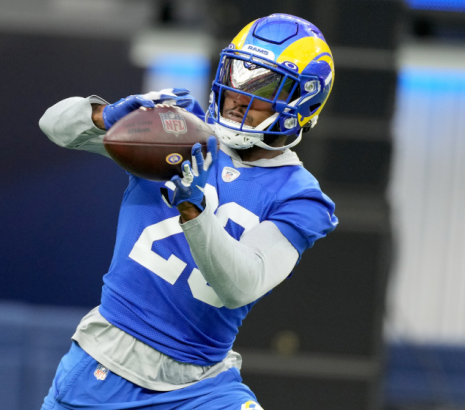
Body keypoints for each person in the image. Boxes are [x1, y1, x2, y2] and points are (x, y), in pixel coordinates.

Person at [39, 13, 337, 410]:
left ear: (303, 102)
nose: (239, 95)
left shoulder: (300, 196)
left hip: (201, 385)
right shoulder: (176, 129)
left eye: (263, 84)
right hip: (109, 363)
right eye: (237, 75)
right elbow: (52, 126)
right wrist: (105, 117)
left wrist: (195, 212)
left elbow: (241, 284)